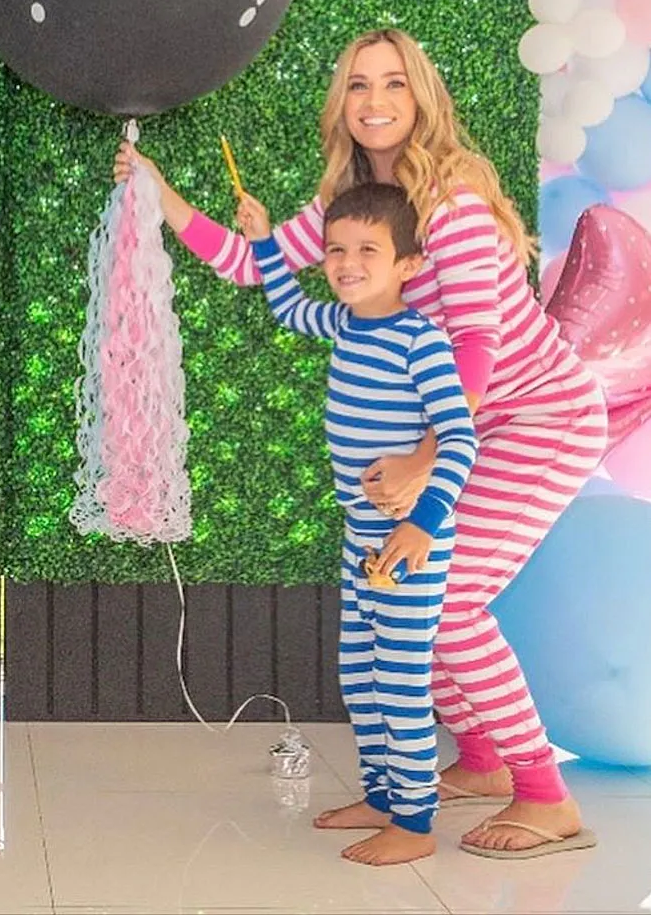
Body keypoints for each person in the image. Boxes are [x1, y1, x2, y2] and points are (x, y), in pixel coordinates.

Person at [116, 28, 606, 859]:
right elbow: (254, 265)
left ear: (422, 98)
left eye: (394, 83)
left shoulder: (450, 203)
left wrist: (426, 455)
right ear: (341, 102)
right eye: (358, 84)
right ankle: (481, 759)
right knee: (416, 598)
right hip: (465, 420)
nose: (375, 100)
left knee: (447, 601)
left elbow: (477, 344)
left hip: (534, 415)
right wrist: (160, 193)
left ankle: (545, 792)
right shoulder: (354, 198)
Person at [237, 180, 477, 864]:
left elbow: (460, 437)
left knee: (400, 684)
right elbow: (288, 308)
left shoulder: (421, 340)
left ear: (409, 264)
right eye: (336, 249)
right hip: (361, 538)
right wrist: (263, 239)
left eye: (368, 250)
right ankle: (381, 795)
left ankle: (415, 822)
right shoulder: (346, 323)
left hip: (410, 544)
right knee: (360, 677)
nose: (347, 262)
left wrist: (422, 525)